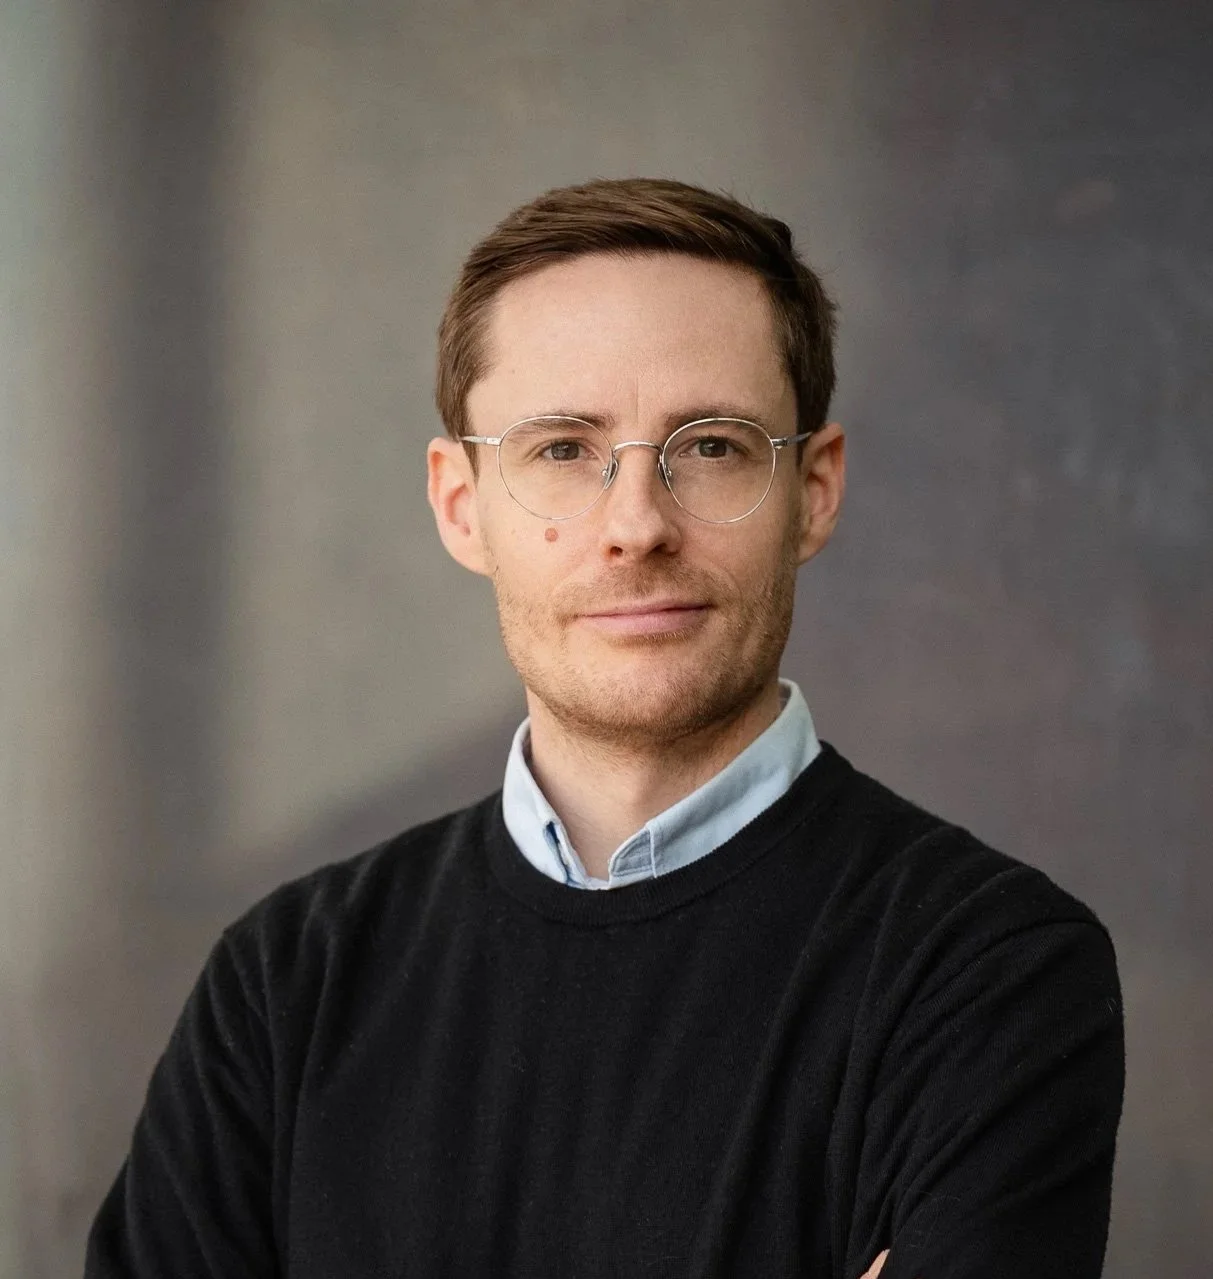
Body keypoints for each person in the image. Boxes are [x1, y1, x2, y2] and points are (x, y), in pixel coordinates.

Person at [85, 178, 1124, 1279]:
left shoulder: (986, 967)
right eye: (563, 451)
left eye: (713, 446)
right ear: (460, 503)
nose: (635, 526)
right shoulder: (287, 984)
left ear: (813, 491)